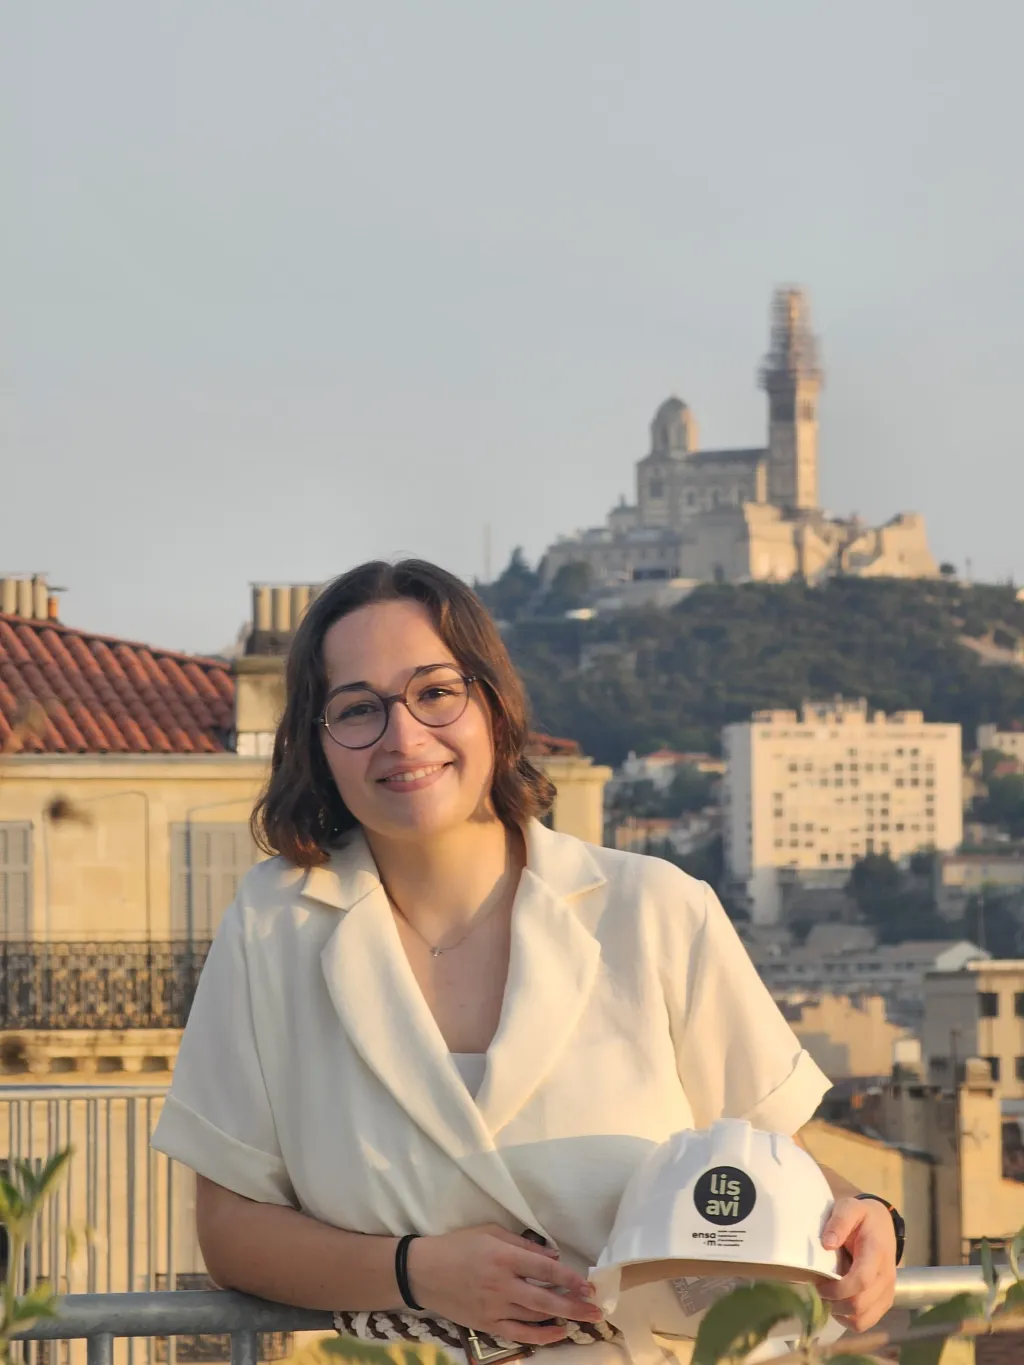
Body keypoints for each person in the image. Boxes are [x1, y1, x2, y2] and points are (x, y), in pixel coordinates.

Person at [151, 559, 899, 1365]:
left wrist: (865, 1215)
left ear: (494, 706)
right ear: (317, 741)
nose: (403, 736)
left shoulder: (653, 907)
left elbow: (765, 1155)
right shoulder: (273, 927)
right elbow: (231, 1230)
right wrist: (413, 1271)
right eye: (358, 708)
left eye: (436, 691)